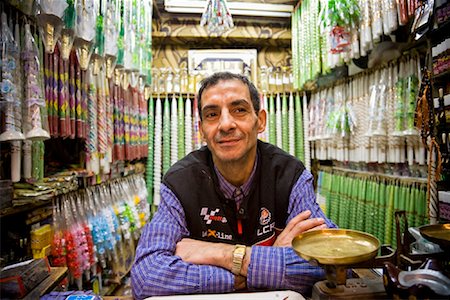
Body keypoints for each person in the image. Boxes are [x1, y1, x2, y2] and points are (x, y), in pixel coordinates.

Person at [131, 72, 336, 299]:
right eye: (212, 114)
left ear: (260, 121)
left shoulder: (289, 176)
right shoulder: (180, 183)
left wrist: (223, 254)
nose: (226, 124)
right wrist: (260, 266)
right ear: (201, 130)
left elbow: (329, 260)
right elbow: (147, 277)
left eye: (239, 110)